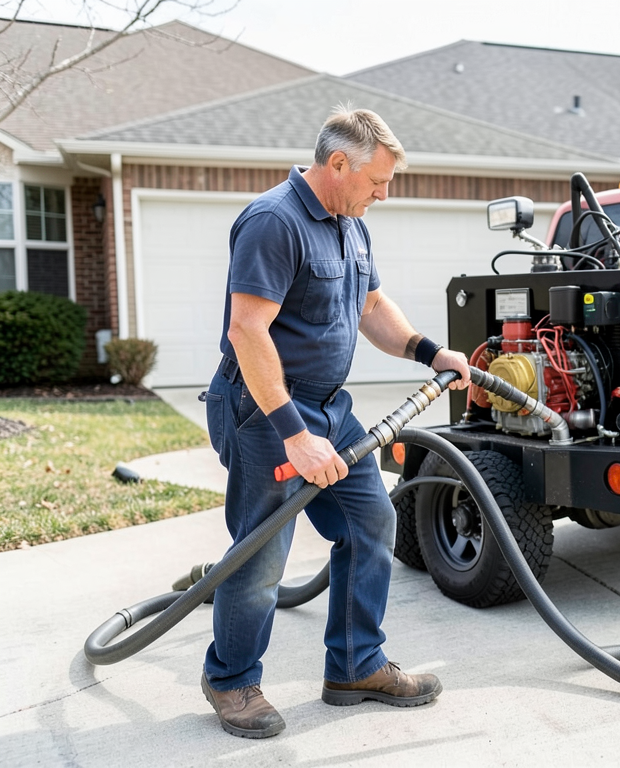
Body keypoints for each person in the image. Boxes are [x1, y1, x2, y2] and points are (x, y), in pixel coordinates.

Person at [200, 106, 471, 739]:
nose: (384, 194)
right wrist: (295, 434)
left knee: (371, 520)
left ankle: (355, 666)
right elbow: (248, 330)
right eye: (377, 181)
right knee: (263, 550)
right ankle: (232, 680)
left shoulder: (351, 223)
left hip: (330, 406)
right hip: (265, 410)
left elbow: (372, 304)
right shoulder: (275, 221)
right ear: (338, 163)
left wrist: (431, 352)